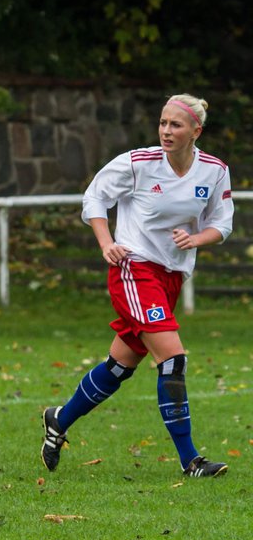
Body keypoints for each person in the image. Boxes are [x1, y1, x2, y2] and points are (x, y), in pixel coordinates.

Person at [41, 93, 234, 477]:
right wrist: (106, 243)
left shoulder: (214, 171)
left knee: (120, 366)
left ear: (195, 131)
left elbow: (222, 223)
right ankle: (190, 460)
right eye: (162, 123)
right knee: (172, 358)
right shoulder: (138, 163)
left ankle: (59, 419)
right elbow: (95, 198)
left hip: (170, 277)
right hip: (134, 269)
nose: (166, 131)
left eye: (175, 125)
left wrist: (197, 239)